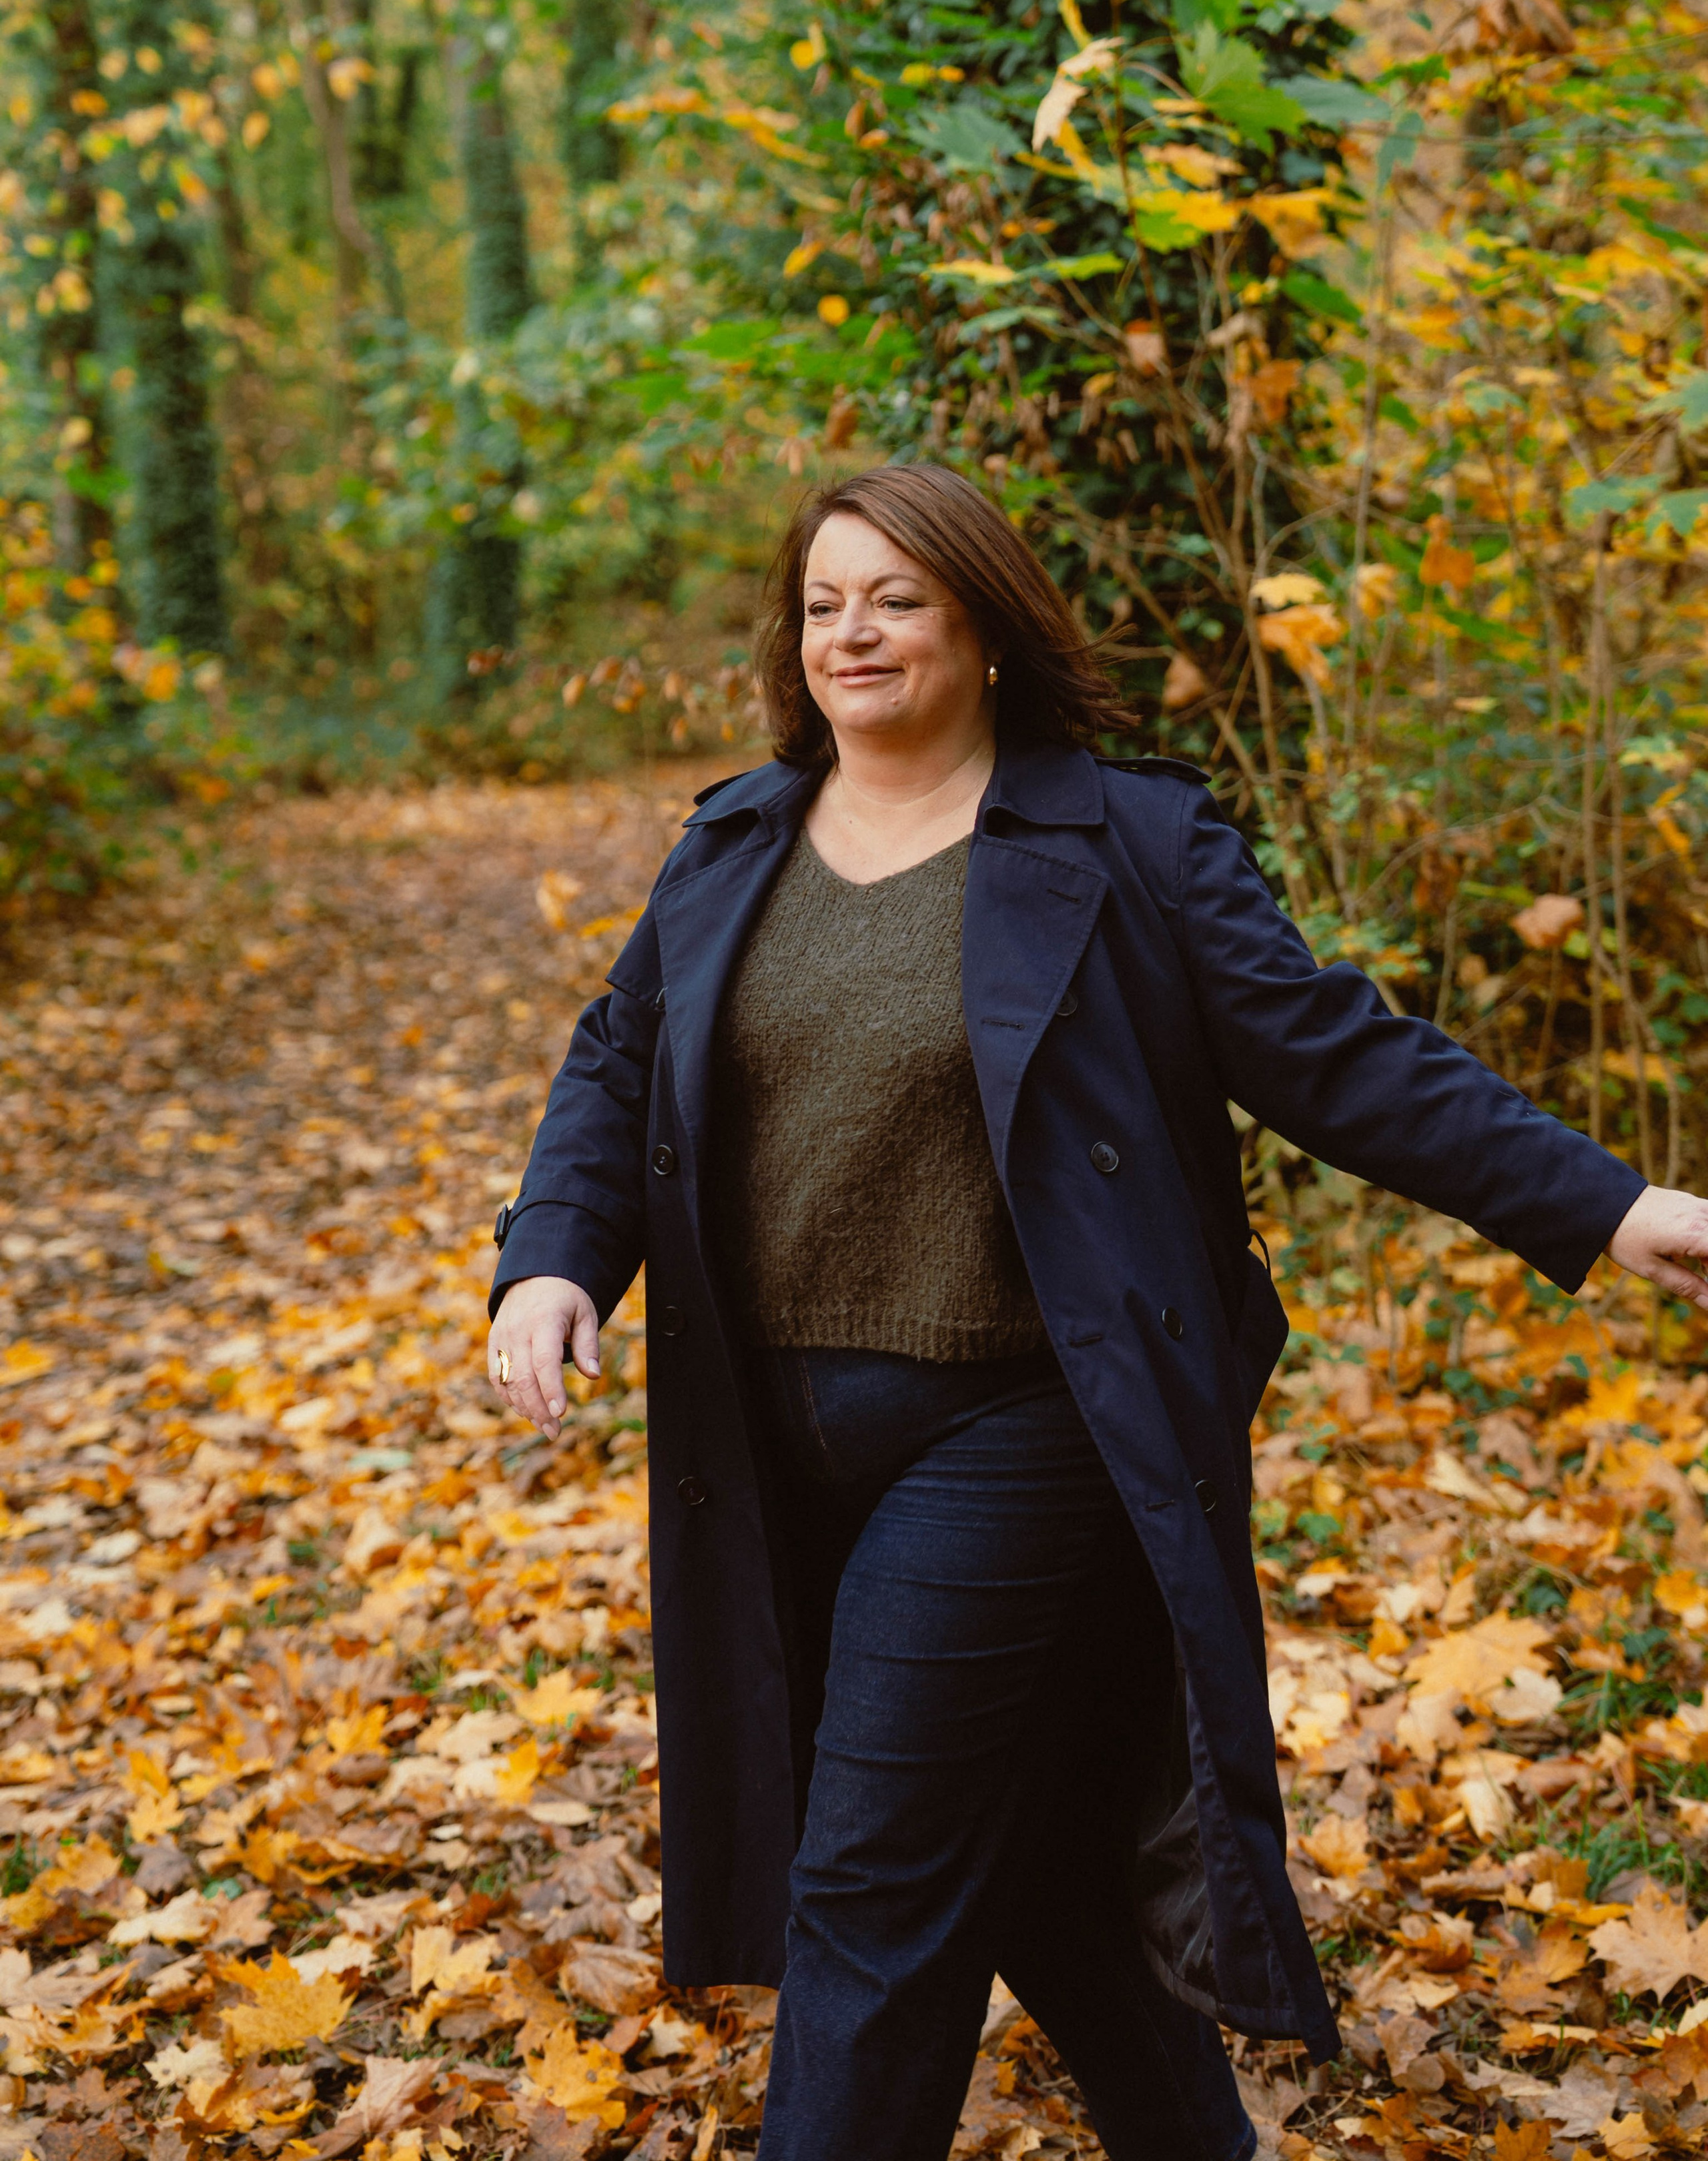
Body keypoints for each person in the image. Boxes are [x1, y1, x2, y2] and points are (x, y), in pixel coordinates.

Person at [486, 464, 1708, 2161]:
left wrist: (1604, 1202)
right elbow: (620, 1067)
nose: (853, 630)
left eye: (895, 597)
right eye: (824, 601)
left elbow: (1333, 1052)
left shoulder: (1120, 841)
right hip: (767, 1439)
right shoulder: (732, 843)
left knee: (871, 1875)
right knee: (1045, 1875)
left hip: (1028, 1422)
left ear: (982, 625)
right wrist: (554, 1254)